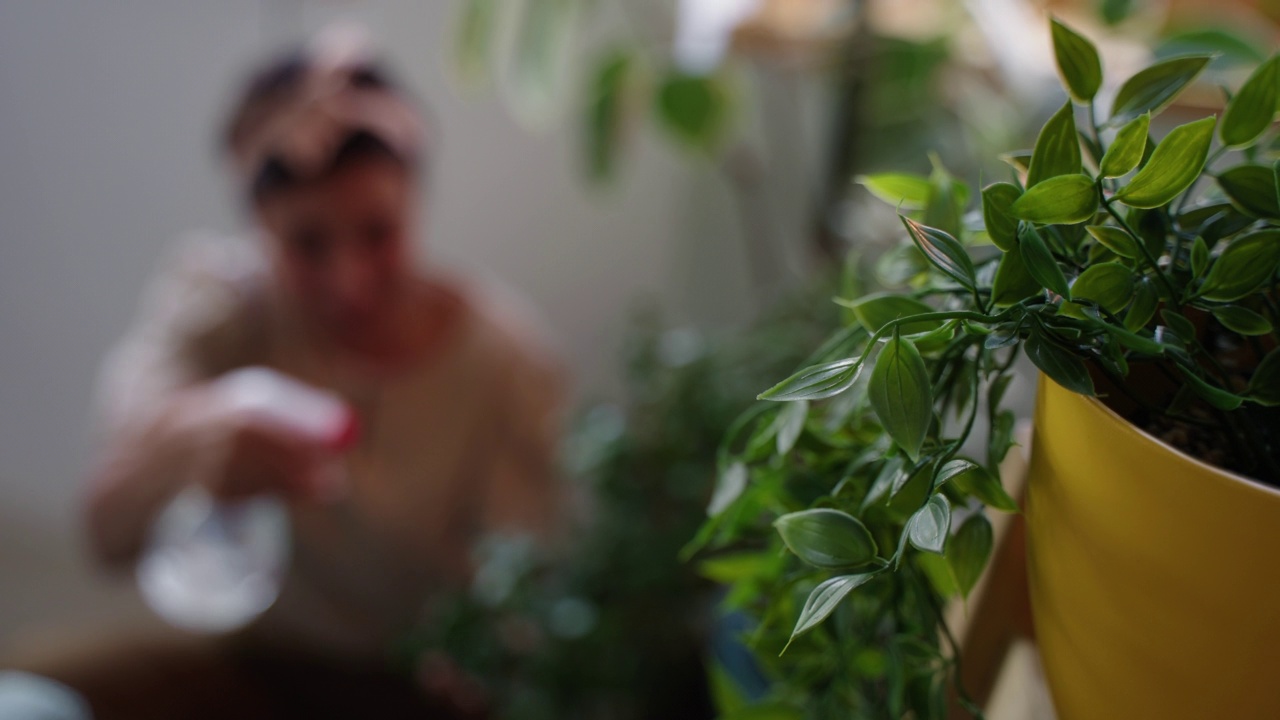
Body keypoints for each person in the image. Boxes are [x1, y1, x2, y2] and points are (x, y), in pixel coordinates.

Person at [7, 25, 564, 720]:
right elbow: (107, 535)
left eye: (377, 232)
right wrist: (191, 440)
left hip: (414, 691)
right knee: (27, 691)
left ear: (415, 200)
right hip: (254, 672)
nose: (350, 282)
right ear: (257, 225)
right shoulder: (222, 307)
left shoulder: (503, 361)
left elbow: (535, 588)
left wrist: (495, 656)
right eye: (307, 243)